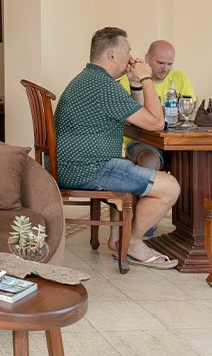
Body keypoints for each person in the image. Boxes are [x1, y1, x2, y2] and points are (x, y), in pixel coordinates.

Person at [54, 27, 181, 269]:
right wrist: (145, 78)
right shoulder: (103, 86)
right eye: (128, 52)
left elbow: (138, 115)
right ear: (112, 55)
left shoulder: (91, 80)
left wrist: (134, 86)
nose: (132, 58)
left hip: (74, 164)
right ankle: (133, 243)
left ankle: (117, 238)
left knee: (130, 167)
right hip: (90, 168)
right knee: (170, 187)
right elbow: (156, 123)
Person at [118, 39, 195, 171]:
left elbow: (189, 111)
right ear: (147, 58)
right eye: (160, 63)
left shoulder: (181, 77)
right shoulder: (129, 79)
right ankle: (150, 191)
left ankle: (186, 192)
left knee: (201, 157)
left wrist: (154, 111)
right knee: (149, 160)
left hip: (176, 141)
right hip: (142, 141)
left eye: (169, 64)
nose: (165, 68)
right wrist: (164, 112)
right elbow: (135, 116)